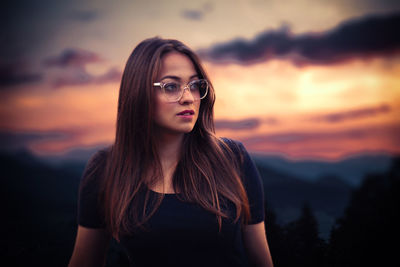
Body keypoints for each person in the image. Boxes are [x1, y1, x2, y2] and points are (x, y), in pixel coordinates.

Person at [68, 37, 274, 267]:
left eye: (195, 85)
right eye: (171, 86)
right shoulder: (106, 169)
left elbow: (261, 261)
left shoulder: (233, 158)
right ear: (139, 93)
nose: (188, 97)